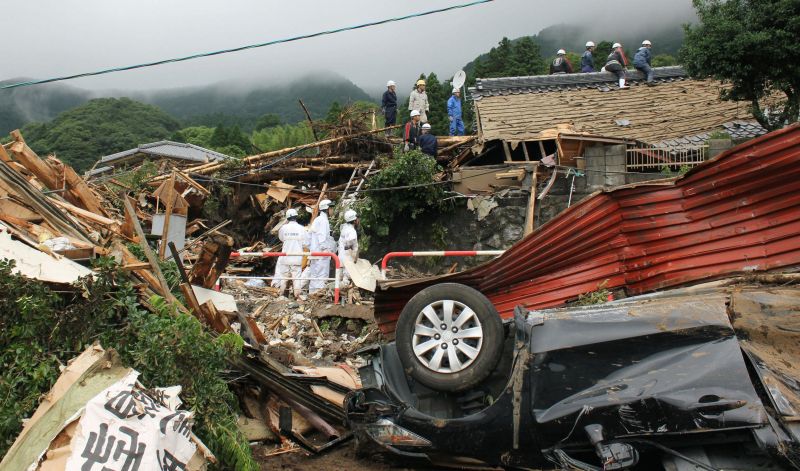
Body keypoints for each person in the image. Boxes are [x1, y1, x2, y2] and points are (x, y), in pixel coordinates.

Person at [276, 208, 305, 298]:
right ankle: (297, 296)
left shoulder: (283, 228)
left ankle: (282, 295)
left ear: (287, 218)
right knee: (296, 278)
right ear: (296, 217)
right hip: (296, 257)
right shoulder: (301, 228)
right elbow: (305, 242)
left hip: (285, 257)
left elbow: (281, 238)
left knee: (284, 277)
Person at [308, 199, 334, 295]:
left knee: (314, 275)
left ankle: (312, 294)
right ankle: (320, 295)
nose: (332, 210)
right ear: (327, 209)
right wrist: (327, 250)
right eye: (331, 208)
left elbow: (309, 237)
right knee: (322, 275)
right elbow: (322, 239)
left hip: (315, 252)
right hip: (322, 254)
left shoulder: (317, 219)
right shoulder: (323, 221)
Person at [338, 209, 359, 287]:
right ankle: (343, 298)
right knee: (346, 281)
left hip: (341, 257)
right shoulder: (352, 231)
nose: (358, 220)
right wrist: (355, 256)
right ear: (354, 221)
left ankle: (338, 297)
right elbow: (349, 244)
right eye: (357, 219)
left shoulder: (344, 228)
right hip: (348, 259)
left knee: (339, 279)